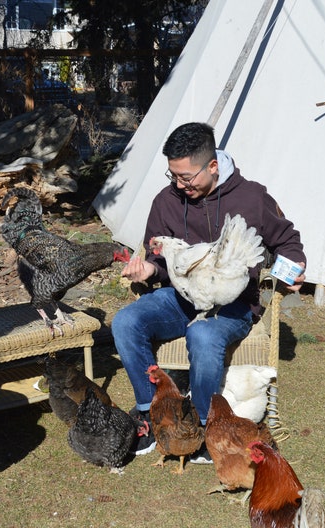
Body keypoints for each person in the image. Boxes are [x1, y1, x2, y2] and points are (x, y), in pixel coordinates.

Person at [112, 122, 306, 461]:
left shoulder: (252, 198)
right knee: (126, 322)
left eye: (186, 177)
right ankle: (152, 414)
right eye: (173, 176)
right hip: (181, 297)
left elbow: (287, 240)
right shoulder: (167, 201)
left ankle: (204, 424)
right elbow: (157, 256)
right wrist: (149, 269)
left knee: (203, 336)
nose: (179, 185)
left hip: (234, 303)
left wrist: (293, 268)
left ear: (212, 166)